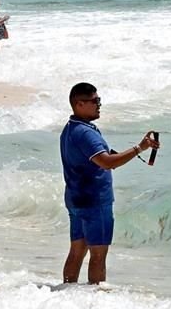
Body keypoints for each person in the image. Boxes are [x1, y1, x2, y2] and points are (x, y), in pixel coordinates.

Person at [60, 83, 160, 285]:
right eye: (95, 101)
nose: (99, 105)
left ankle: (67, 293)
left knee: (77, 251)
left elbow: (103, 157)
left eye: (99, 100)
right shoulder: (86, 133)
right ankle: (95, 302)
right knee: (98, 255)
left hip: (76, 198)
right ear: (79, 104)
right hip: (94, 200)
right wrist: (139, 148)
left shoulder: (71, 128)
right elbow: (106, 162)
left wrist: (139, 148)